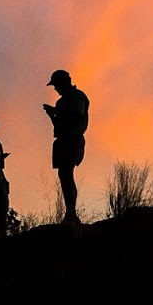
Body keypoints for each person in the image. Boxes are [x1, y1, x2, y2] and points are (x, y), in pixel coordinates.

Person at [43, 68, 89, 224]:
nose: (55, 88)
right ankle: (70, 213)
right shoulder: (61, 102)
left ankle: (71, 213)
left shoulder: (77, 96)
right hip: (62, 140)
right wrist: (52, 115)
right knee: (64, 175)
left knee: (67, 173)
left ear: (64, 82)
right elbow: (59, 123)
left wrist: (58, 112)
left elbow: (76, 116)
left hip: (73, 139)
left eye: (56, 84)